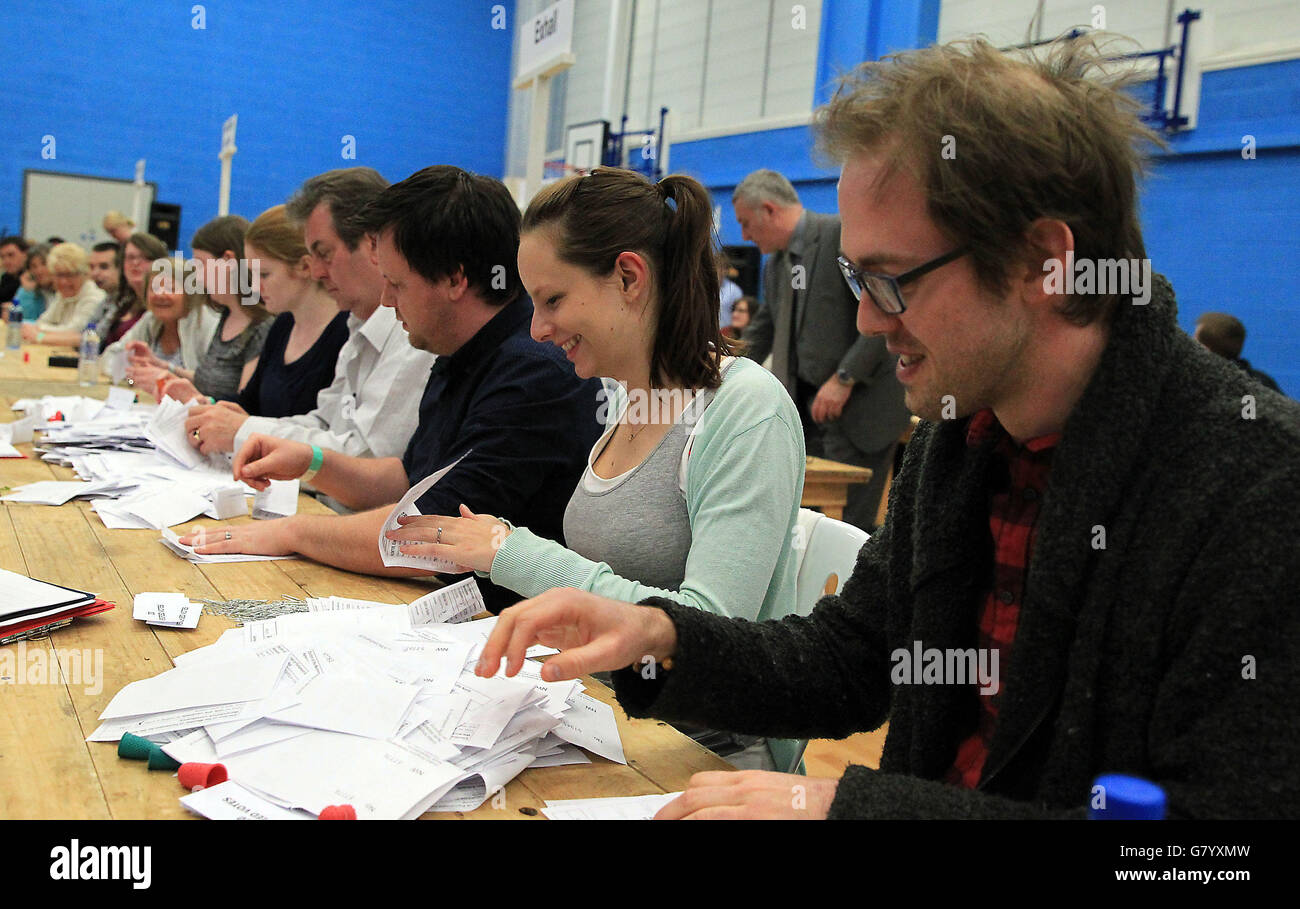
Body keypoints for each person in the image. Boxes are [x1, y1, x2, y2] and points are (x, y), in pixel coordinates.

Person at [470, 37, 1300, 819]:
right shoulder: (962, 437)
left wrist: (855, 808)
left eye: (891, 281)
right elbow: (847, 659)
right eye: (854, 279)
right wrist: (661, 635)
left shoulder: (1254, 488)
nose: (867, 318)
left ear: (1041, 261)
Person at [384, 167, 805, 768]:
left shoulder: (745, 412)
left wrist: (514, 553)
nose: (537, 328)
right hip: (606, 718)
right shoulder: (629, 403)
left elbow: (713, 635)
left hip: (704, 755)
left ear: (629, 278)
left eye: (553, 299)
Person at [179, 165, 604, 616]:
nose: (385, 300)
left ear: (455, 280)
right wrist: (312, 462)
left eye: (397, 283)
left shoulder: (533, 373)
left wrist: (290, 533)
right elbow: (408, 478)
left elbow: (429, 535)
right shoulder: (460, 347)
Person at [181, 168, 434, 472]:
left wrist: (244, 431)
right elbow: (325, 422)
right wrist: (247, 427)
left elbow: (367, 460)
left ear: (372, 244)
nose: (316, 272)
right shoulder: (358, 325)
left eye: (324, 254)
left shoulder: (410, 334)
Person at [735, 168, 911, 530]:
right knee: (804, 525)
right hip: (808, 417)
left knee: (849, 529)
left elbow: (880, 312)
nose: (745, 236)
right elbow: (763, 328)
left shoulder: (839, 236)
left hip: (860, 411)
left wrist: (844, 378)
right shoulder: (777, 265)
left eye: (746, 223)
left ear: (769, 210)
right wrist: (720, 365)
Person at [168, 207, 343, 416]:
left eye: (264, 275)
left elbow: (328, 431)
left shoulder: (344, 334)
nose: (256, 287)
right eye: (252, 274)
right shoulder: (283, 325)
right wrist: (205, 402)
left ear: (305, 267)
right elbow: (249, 403)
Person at [102, 257, 220, 382]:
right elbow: (111, 357)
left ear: (190, 294)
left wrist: (167, 370)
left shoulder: (206, 322)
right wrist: (132, 373)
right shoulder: (150, 319)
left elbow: (214, 383)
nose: (160, 295)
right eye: (154, 288)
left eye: (171, 289)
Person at [21, 243, 106, 343]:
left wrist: (39, 335)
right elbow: (42, 321)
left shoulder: (94, 297)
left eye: (70, 275)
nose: (63, 282)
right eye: (59, 275)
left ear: (84, 274)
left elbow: (74, 331)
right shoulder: (62, 295)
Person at [1193, 311, 1283, 393]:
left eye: (1195, 339)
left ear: (1205, 348)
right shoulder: (1264, 383)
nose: (1192, 343)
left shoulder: (1198, 386)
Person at [11, 242, 55, 322]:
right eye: (33, 266)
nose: (39, 271)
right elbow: (19, 322)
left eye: (44, 264)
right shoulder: (27, 291)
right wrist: (28, 293)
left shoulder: (66, 292)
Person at [0, 235, 28, 303]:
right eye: (2, 257)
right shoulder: (6, 278)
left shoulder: (33, 280)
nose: (6, 261)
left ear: (25, 254)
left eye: (11, 255)